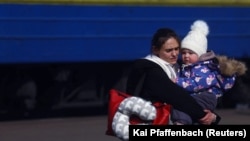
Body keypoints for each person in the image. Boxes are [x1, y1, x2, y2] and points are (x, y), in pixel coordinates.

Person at [126, 27, 217, 125]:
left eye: (177, 49)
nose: (174, 54)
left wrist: (213, 117)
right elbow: (177, 97)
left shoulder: (175, 67)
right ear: (155, 50)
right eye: (169, 50)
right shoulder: (151, 71)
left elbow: (191, 97)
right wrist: (203, 116)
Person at [171, 20, 247, 125]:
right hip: (198, 97)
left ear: (200, 53)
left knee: (185, 105)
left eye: (191, 53)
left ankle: (181, 122)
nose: (186, 56)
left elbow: (196, 84)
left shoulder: (204, 69)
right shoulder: (187, 67)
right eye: (183, 52)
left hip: (206, 97)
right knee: (185, 106)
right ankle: (181, 121)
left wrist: (177, 81)